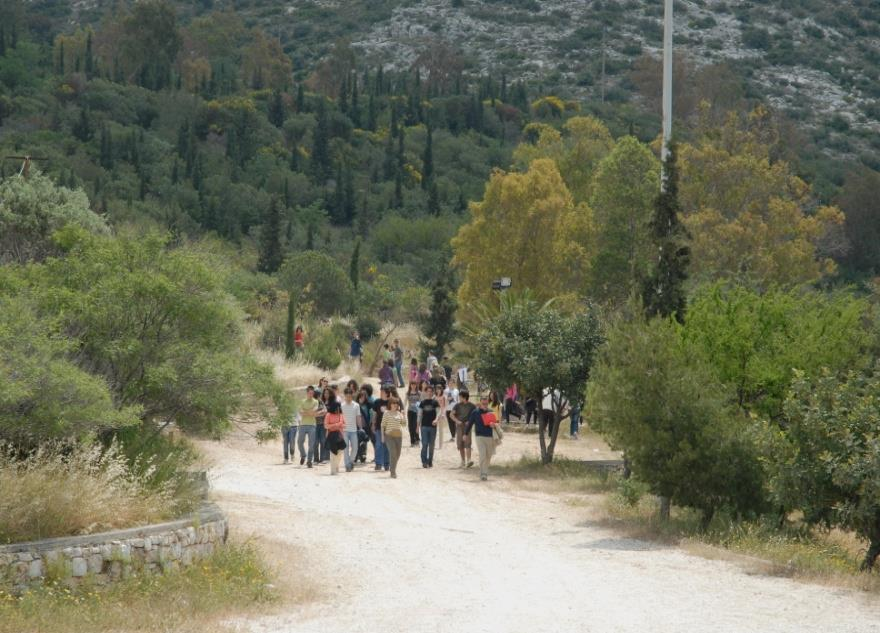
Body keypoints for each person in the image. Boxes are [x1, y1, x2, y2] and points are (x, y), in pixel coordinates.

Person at [466, 394, 497, 481]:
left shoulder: (491, 411)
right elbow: (470, 423)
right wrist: (465, 434)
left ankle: (485, 472)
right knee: (482, 454)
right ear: (480, 402)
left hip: (490, 437)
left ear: (487, 402)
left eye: (486, 402)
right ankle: (483, 473)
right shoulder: (475, 412)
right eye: (483, 402)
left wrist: (493, 425)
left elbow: (496, 423)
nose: (484, 404)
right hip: (479, 436)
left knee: (488, 456)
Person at [381, 397, 407, 478]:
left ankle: (392, 467)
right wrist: (382, 436)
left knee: (397, 454)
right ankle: (393, 472)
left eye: (396, 403)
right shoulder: (386, 413)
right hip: (389, 436)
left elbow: (404, 424)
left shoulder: (399, 414)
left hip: (399, 436)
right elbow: (382, 425)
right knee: (393, 453)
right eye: (393, 403)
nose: (395, 405)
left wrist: (404, 416)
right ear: (390, 404)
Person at [451, 389, 476, 469]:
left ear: (464, 397)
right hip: (459, 427)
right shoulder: (457, 405)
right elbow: (451, 415)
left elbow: (475, 415)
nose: (459, 398)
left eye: (460, 397)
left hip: (467, 427)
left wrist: (469, 421)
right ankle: (462, 461)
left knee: (468, 443)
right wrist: (457, 421)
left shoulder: (472, 406)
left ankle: (469, 461)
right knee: (460, 444)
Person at [297, 386, 320, 468]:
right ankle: (303, 455)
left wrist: (306, 411)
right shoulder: (302, 401)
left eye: (312, 393)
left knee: (311, 444)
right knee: (299, 442)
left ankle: (309, 461)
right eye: (310, 393)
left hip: (312, 425)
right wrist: (310, 412)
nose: (311, 394)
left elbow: (314, 411)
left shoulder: (316, 401)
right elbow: (300, 412)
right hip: (303, 424)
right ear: (307, 393)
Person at [324, 391, 345, 475]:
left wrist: (339, 425)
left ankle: (336, 466)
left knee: (340, 453)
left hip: (340, 436)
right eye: (337, 408)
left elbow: (344, 424)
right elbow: (326, 426)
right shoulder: (328, 415)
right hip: (331, 436)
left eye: (339, 408)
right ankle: (333, 471)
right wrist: (336, 425)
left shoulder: (341, 415)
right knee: (333, 454)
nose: (338, 409)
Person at [341, 388, 363, 472]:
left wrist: (360, 428)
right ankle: (347, 465)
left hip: (354, 430)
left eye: (350, 396)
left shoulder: (356, 405)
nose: (348, 398)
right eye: (347, 396)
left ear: (352, 396)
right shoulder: (341, 405)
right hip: (344, 430)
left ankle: (350, 462)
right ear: (345, 396)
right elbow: (340, 417)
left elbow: (358, 417)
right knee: (345, 448)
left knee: (355, 448)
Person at [418, 386, 440, 468]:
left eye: (431, 391)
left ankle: (430, 461)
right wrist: (417, 426)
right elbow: (419, 415)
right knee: (424, 444)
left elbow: (438, 412)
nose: (429, 393)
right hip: (424, 426)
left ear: (433, 392)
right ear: (426, 392)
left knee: (431, 445)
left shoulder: (435, 402)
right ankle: (424, 461)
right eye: (428, 391)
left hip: (433, 426)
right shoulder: (422, 403)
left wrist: (436, 419)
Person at [372, 386, 392, 471]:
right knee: (378, 445)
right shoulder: (377, 402)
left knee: (387, 446)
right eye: (381, 391)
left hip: (388, 428)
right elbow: (375, 414)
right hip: (378, 427)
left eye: (382, 391)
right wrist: (373, 424)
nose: (381, 393)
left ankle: (387, 464)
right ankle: (378, 464)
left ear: (387, 393)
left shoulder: (391, 402)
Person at [315, 387, 330, 464]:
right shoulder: (313, 402)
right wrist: (319, 413)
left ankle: (322, 459)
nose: (318, 396)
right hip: (314, 425)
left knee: (322, 441)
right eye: (317, 394)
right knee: (315, 442)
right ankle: (315, 459)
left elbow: (325, 411)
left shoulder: (321, 402)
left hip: (321, 424)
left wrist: (317, 414)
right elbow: (311, 413)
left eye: (318, 395)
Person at [406, 382, 421, 447]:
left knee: (415, 425)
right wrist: (403, 409)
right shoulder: (408, 393)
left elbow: (421, 402)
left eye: (414, 384)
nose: (413, 386)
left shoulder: (419, 393)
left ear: (416, 385)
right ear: (410, 385)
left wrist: (417, 405)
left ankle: (417, 439)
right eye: (412, 384)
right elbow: (405, 401)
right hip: (410, 411)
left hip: (417, 411)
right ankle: (412, 441)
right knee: (410, 426)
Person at [434, 383, 446, 450]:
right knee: (434, 429)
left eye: (439, 389)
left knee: (441, 430)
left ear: (441, 389)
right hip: (434, 414)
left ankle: (440, 445)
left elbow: (444, 406)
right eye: (437, 389)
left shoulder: (443, 397)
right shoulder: (434, 397)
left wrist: (443, 414)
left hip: (441, 414)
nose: (438, 390)